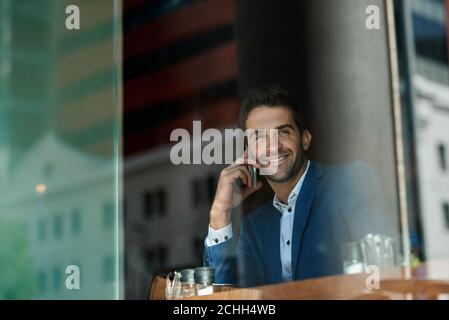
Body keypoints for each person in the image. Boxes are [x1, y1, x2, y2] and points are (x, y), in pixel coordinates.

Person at [203, 85, 398, 287]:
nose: (274, 146)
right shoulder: (254, 226)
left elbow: (383, 271)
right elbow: (232, 301)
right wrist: (220, 213)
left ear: (305, 140)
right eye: (260, 137)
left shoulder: (350, 181)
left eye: (284, 132)